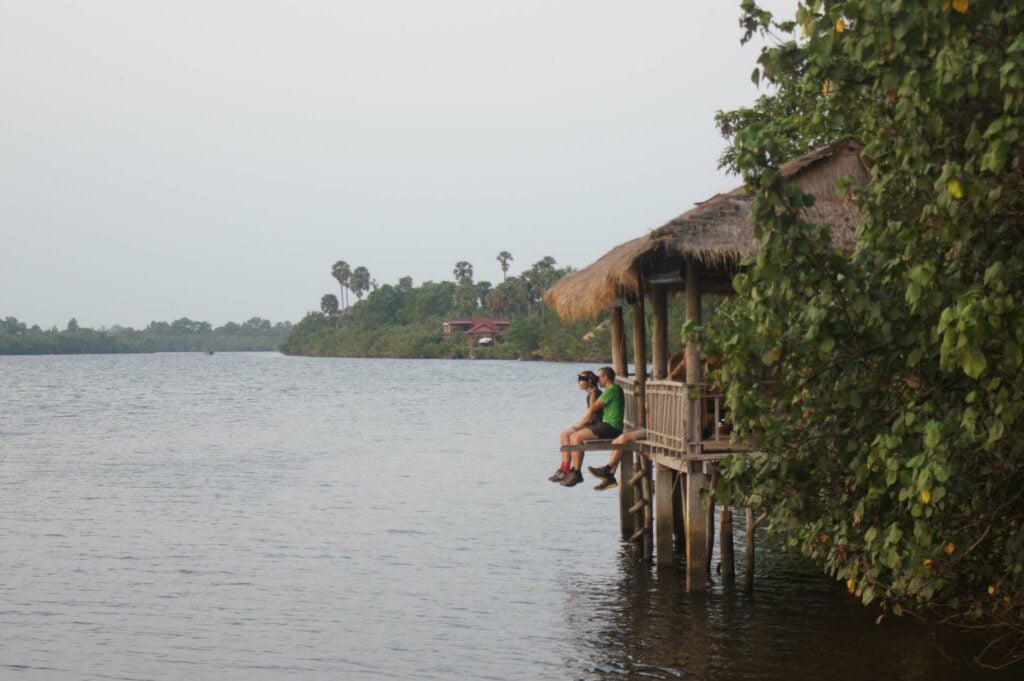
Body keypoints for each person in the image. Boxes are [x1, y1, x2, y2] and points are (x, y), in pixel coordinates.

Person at [560, 366, 624, 487]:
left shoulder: (612, 390)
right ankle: (574, 470)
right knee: (574, 436)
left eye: (599, 377)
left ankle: (577, 473)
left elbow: (593, 408)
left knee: (577, 437)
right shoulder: (611, 390)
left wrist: (594, 392)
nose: (598, 380)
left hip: (612, 427)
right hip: (608, 425)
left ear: (606, 377)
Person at [550, 371, 602, 483]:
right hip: (592, 423)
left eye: (581, 379)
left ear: (589, 381)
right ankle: (565, 468)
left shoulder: (595, 394)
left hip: (597, 424)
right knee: (564, 434)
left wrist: (577, 426)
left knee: (569, 434)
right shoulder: (591, 394)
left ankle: (574, 471)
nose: (578, 382)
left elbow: (591, 415)